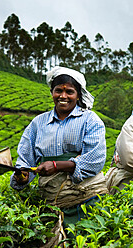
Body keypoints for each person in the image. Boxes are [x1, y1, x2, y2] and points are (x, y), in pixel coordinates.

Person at [10, 66, 108, 237]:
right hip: (52, 202)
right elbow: (26, 160)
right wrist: (23, 175)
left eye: (69, 91)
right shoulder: (38, 123)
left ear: (78, 95)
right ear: (52, 92)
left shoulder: (90, 120)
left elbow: (95, 160)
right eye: (58, 91)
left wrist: (57, 165)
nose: (63, 96)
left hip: (86, 199)